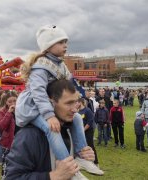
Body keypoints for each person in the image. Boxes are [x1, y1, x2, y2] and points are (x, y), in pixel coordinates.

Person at [15, 25, 100, 176]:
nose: (65, 45)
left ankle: (81, 156)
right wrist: (49, 115)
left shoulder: (59, 65)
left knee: (77, 120)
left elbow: (67, 88)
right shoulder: (40, 67)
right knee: (51, 128)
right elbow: (38, 92)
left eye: (65, 42)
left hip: (49, 104)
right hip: (33, 107)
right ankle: (70, 169)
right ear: (48, 46)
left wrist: (75, 102)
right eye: (60, 42)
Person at [6, 79, 96, 180]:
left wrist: (81, 155)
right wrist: (53, 176)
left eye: (76, 102)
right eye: (68, 103)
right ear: (50, 103)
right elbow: (12, 177)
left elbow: (63, 164)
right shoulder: (29, 135)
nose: (75, 109)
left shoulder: (70, 129)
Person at [0, 91, 19, 179]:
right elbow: (1, 127)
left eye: (14, 101)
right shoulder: (2, 111)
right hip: (8, 144)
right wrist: (9, 113)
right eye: (10, 101)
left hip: (20, 141)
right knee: (7, 167)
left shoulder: (22, 109)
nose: (13, 103)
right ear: (6, 102)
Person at [78, 98, 102, 173]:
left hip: (88, 131)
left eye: (77, 102)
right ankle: (86, 162)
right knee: (82, 147)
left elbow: (90, 122)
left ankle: (96, 163)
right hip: (81, 132)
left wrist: (83, 130)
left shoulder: (87, 110)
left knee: (90, 146)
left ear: (80, 102)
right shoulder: (78, 111)